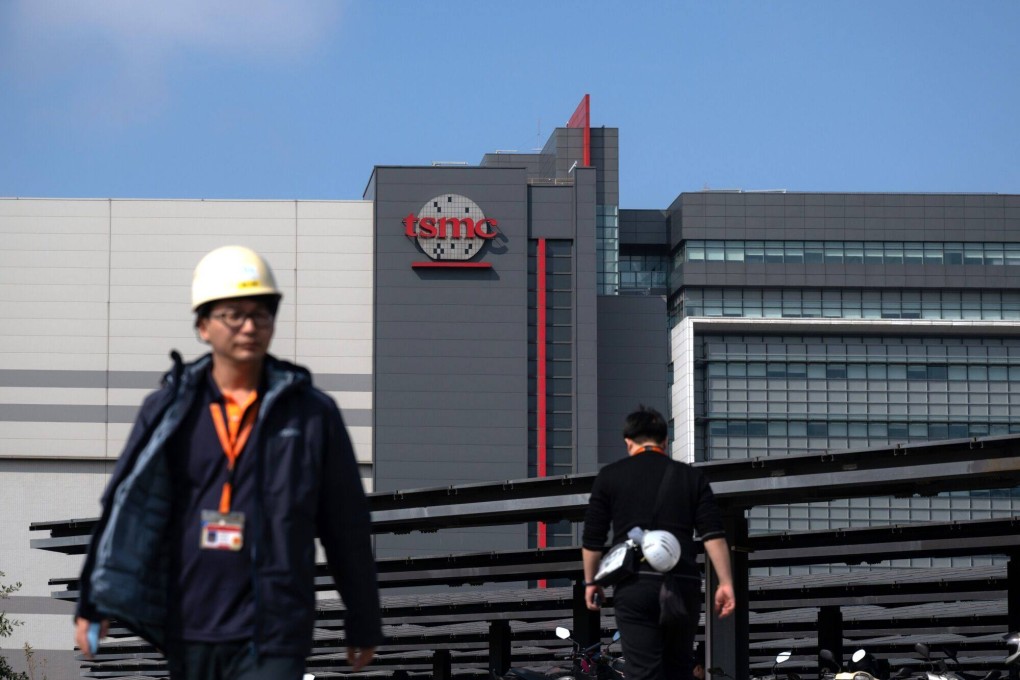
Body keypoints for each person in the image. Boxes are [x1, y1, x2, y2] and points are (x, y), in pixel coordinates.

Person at [73, 245, 382, 679]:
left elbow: (345, 523)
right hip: (187, 626)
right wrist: (93, 601)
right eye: (233, 314)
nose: (250, 326)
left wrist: (364, 616)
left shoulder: (312, 414)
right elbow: (126, 506)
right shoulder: (167, 411)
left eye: (261, 313)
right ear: (203, 325)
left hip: (275, 632)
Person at [582, 405, 735, 680]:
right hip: (682, 584)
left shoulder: (610, 477)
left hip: (635, 584)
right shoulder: (691, 477)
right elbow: (713, 534)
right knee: (678, 668)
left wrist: (592, 581)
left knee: (642, 671)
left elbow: (593, 539)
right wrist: (725, 583)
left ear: (628, 442)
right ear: (665, 441)